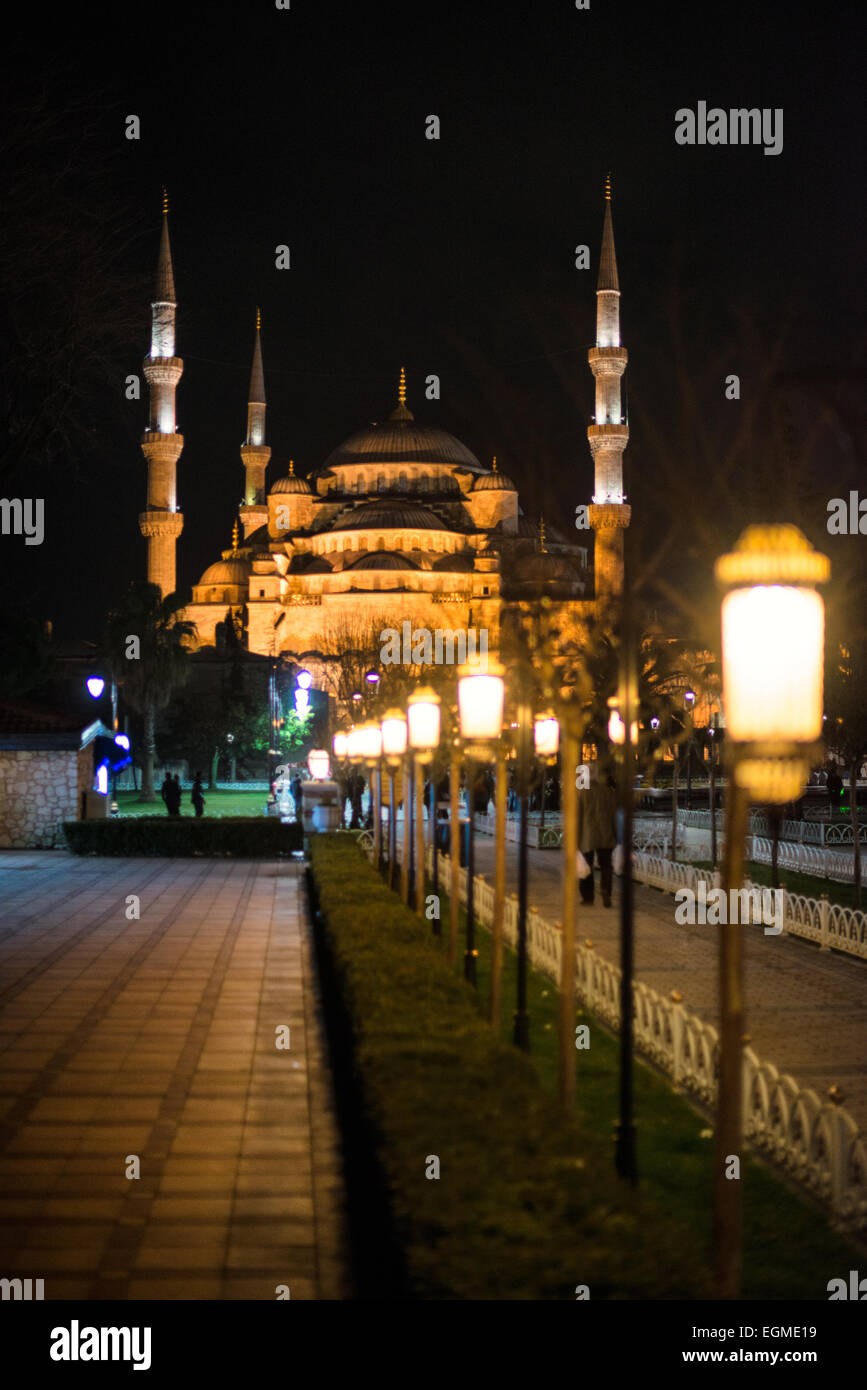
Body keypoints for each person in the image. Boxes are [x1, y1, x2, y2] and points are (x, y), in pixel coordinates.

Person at [576, 763, 617, 907]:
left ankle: (588, 897)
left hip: (587, 835)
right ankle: (606, 891)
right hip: (606, 833)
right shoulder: (607, 791)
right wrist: (615, 834)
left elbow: (577, 817)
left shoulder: (581, 793)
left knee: (587, 866)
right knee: (606, 865)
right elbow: (613, 815)